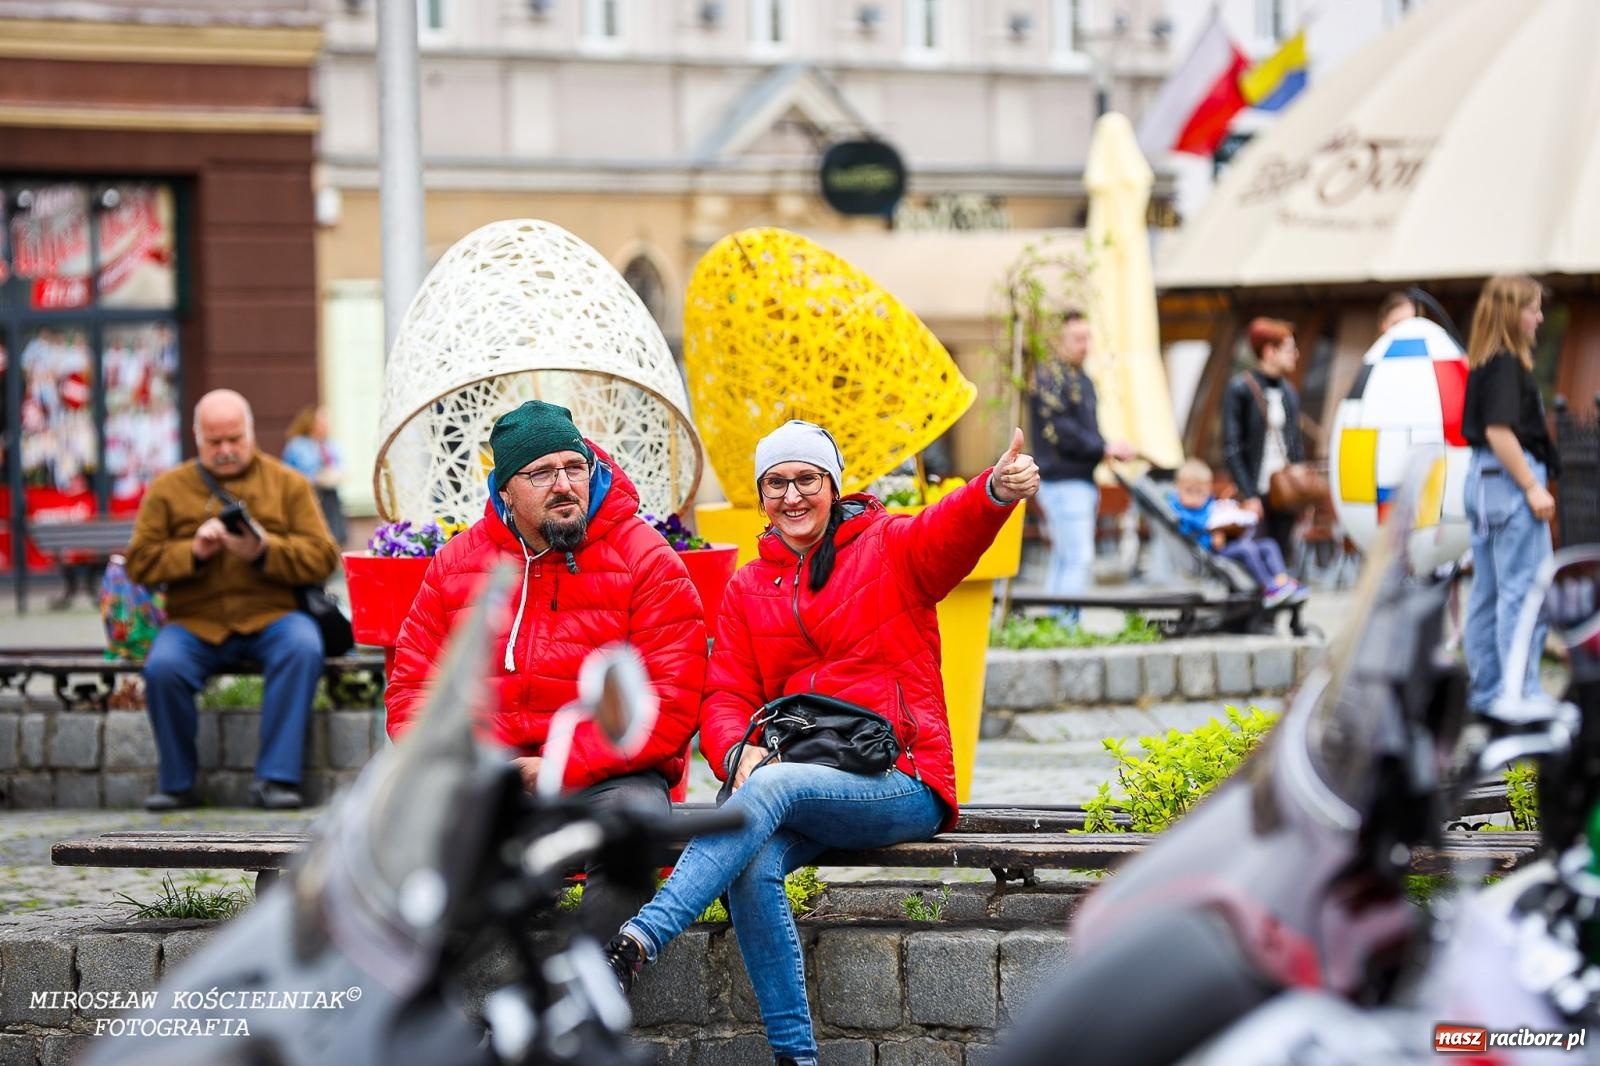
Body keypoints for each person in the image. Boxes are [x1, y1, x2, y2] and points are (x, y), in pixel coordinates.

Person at [604, 419, 1039, 1066]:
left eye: (806, 479)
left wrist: (995, 492)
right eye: (775, 483)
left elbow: (947, 529)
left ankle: (642, 938)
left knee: (771, 784)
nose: (792, 495)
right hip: (805, 785)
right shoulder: (750, 586)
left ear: (834, 487)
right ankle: (795, 1058)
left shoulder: (889, 546)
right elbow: (725, 696)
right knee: (753, 863)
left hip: (903, 779)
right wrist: (733, 752)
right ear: (761, 496)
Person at [385, 400, 707, 937]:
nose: (564, 484)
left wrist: (559, 766)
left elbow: (671, 701)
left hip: (607, 772)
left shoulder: (647, 559)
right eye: (541, 473)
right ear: (506, 490)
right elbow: (414, 691)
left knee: (628, 826)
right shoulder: (457, 566)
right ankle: (445, 1004)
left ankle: (595, 980)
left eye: (574, 466)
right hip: (491, 774)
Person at [126, 389, 341, 811]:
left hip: (274, 616)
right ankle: (176, 782)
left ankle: (277, 779)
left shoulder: (289, 483)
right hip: (195, 622)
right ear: (196, 438)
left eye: (234, 439)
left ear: (250, 431)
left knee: (303, 646)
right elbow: (139, 564)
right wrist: (192, 552)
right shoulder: (167, 489)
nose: (225, 450)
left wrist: (264, 551)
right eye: (214, 441)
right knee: (163, 667)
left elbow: (323, 557)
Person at [1461, 275, 1558, 713]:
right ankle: (1520, 694)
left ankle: (1488, 694)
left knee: (1487, 592)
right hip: (1510, 481)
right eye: (1532, 308)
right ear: (1510, 311)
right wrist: (1533, 485)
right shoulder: (1505, 364)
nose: (1539, 317)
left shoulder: (1484, 362)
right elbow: (1500, 431)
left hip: (1482, 482)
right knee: (1523, 592)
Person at [1029, 310, 1135, 621]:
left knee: (1064, 557)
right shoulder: (1050, 379)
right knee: (1079, 558)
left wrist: (1106, 446)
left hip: (1077, 481)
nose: (1085, 345)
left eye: (1088, 337)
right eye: (1078, 338)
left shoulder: (1080, 379)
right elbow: (1064, 433)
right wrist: (1103, 447)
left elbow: (1083, 432)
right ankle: (1066, 626)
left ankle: (1055, 624)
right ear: (1058, 341)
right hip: (1063, 482)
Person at [1167, 458, 1306, 607]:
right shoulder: (1180, 512)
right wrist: (1213, 532)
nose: (1195, 497)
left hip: (1229, 543)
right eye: (1189, 491)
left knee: (1268, 545)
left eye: (1200, 492)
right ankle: (1267, 587)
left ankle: (1282, 582)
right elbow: (1189, 531)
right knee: (1247, 549)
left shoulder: (1211, 505)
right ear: (1178, 488)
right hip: (1210, 552)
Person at [1222, 317, 1307, 558]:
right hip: (1255, 491)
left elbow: (1295, 443)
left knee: (1282, 552)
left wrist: (1300, 486)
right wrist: (1248, 494)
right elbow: (1231, 446)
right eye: (1289, 349)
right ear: (1269, 352)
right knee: (1257, 554)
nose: (1296, 355)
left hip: (1285, 491)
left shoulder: (1289, 392)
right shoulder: (1240, 389)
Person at [282, 404, 347, 547]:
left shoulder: (330, 445)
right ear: (311, 423)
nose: (326, 425)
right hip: (308, 497)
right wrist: (317, 478)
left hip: (330, 499)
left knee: (335, 538)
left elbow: (340, 467)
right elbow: (290, 475)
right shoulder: (297, 445)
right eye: (322, 422)